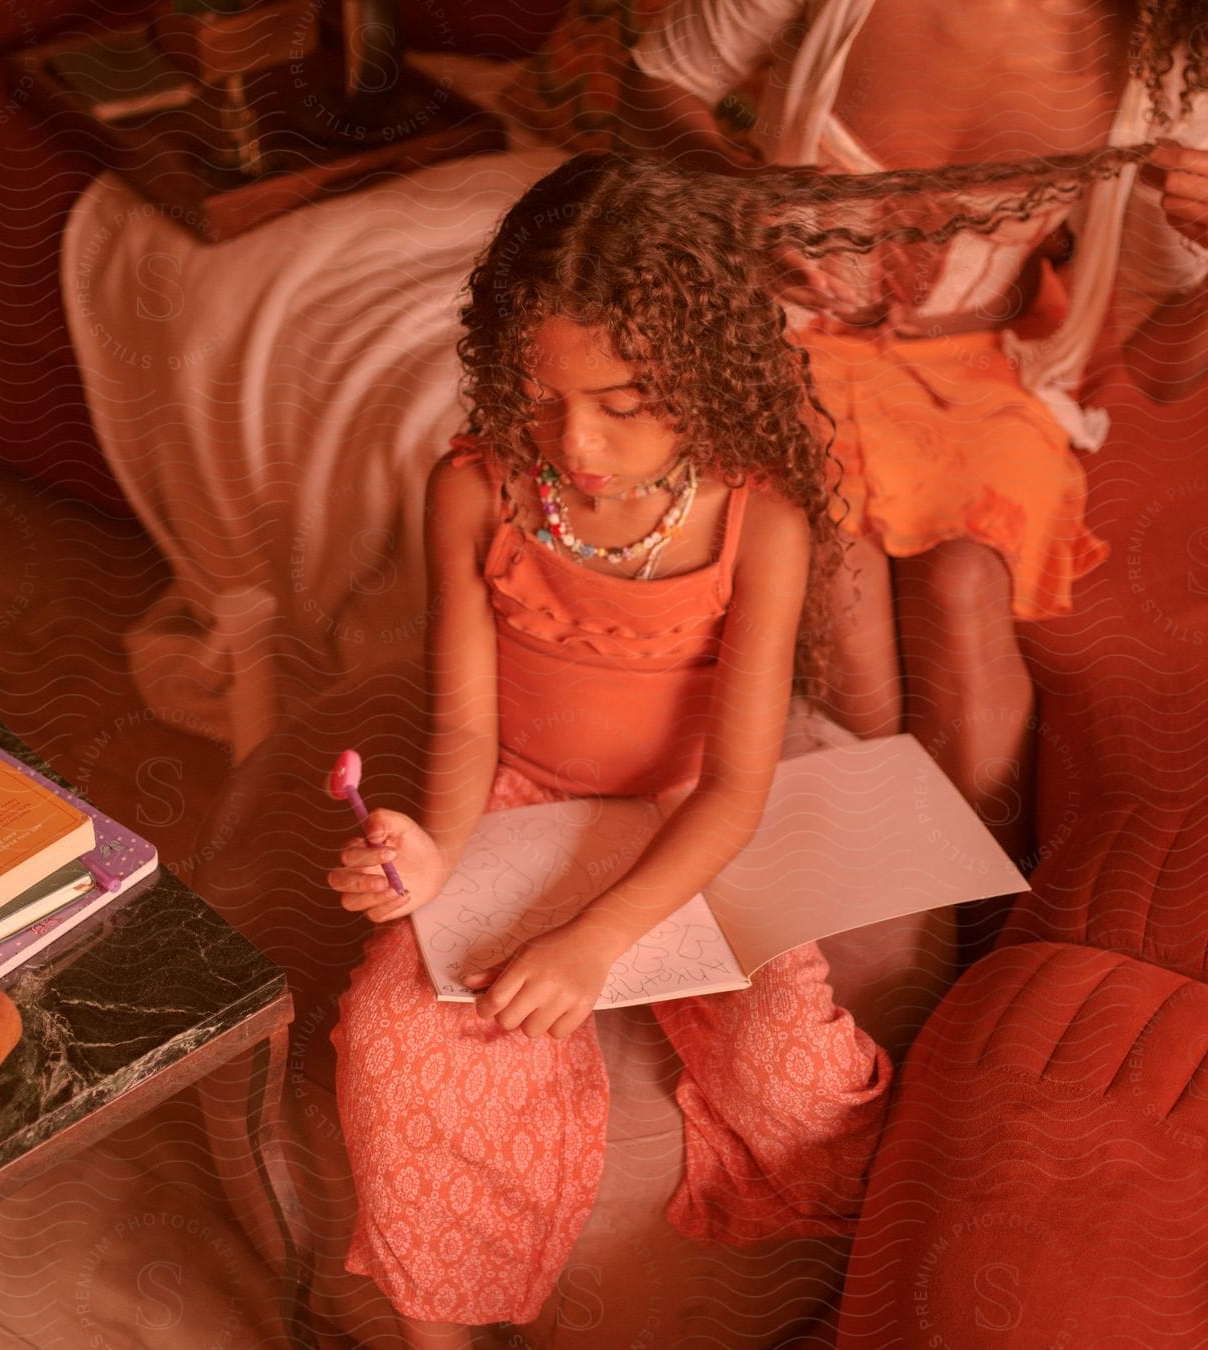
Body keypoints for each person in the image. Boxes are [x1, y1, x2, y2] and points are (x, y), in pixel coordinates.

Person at [324, 153, 894, 1348]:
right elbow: (466, 726)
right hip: (519, 794)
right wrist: (433, 860)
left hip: (695, 817)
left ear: (705, 371)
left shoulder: (766, 516)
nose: (574, 441)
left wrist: (593, 940)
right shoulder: (473, 490)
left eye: (624, 403)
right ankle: (442, 1329)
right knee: (389, 1045)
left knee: (795, 1083)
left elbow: (738, 785)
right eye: (539, 397)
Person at [622, 0, 1208, 872]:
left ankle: (978, 933)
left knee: (962, 584)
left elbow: (1165, 364)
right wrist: (728, 191)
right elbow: (653, 86)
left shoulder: (1180, 51)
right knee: (842, 577)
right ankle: (890, 922)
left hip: (978, 376)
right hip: (783, 331)